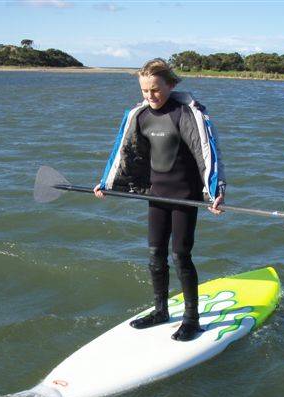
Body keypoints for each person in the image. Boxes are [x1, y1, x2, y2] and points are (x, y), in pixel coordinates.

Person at [94, 58, 226, 341]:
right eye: (144, 90)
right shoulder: (140, 116)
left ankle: (192, 319)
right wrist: (108, 183)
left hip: (185, 198)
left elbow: (207, 153)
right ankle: (161, 311)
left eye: (155, 89)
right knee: (155, 254)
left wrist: (215, 192)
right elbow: (125, 152)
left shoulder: (185, 115)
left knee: (180, 256)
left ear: (171, 84)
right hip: (156, 196)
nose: (150, 95)